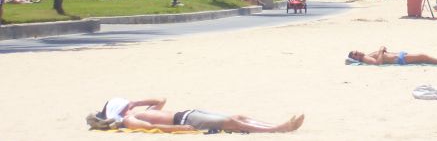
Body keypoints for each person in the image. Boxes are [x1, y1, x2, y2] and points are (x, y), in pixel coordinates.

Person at [87, 97, 303, 133]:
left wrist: (136, 102)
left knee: (239, 117)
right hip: (186, 120)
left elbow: (161, 100)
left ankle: (274, 125)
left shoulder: (141, 111)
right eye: (125, 105)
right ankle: (277, 129)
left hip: (190, 112)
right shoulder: (128, 120)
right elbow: (151, 128)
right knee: (231, 122)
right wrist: (179, 129)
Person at [347, 46, 437, 66]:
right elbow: (377, 64)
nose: (359, 52)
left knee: (423, 58)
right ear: (356, 58)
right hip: (398, 59)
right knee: (423, 56)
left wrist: (382, 50)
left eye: (357, 51)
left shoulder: (365, 55)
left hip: (399, 56)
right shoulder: (365, 58)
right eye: (356, 53)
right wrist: (380, 51)